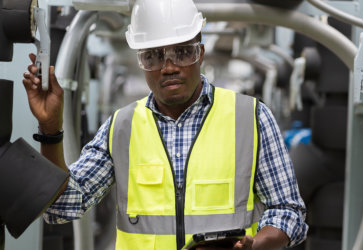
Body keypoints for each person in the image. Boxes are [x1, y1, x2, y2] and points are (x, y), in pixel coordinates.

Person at [21, 0, 307, 249]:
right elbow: (61, 206)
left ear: (201, 53)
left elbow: (288, 211)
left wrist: (255, 245)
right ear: (141, 61)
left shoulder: (252, 118)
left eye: (182, 52)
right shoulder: (121, 127)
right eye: (154, 56)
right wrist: (50, 129)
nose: (168, 67)